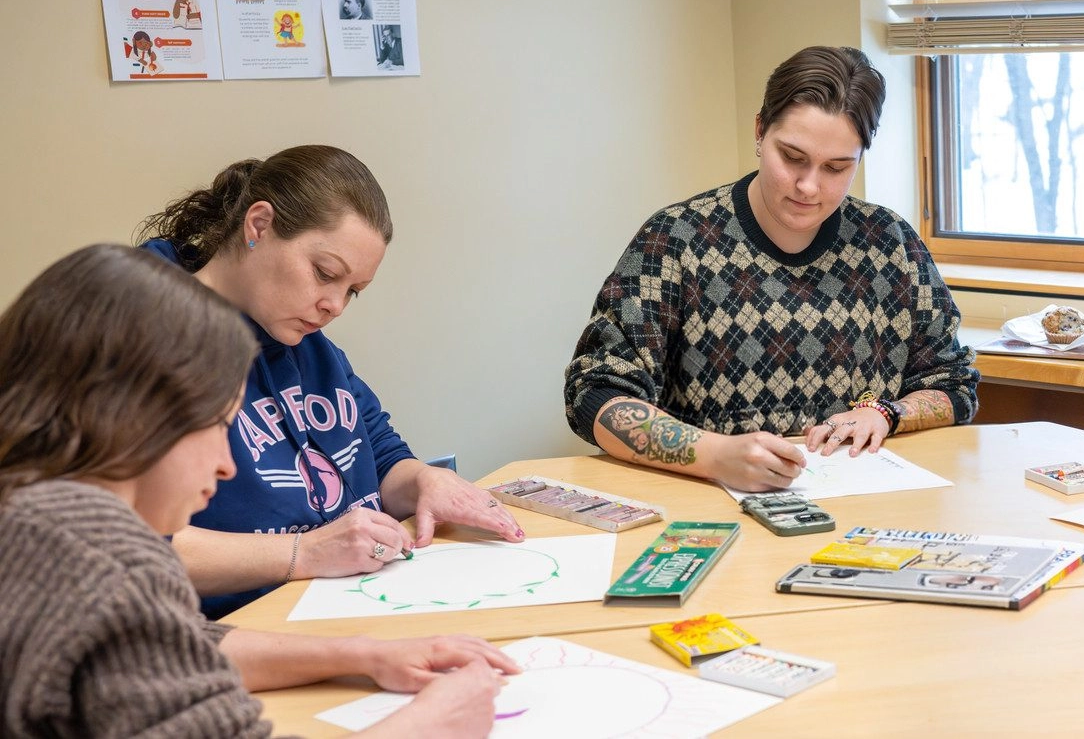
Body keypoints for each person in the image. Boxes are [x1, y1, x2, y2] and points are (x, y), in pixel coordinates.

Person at [0, 244, 516, 738]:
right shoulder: (101, 559)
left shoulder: (35, 520)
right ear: (131, 414)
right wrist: (432, 725)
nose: (226, 466)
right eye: (216, 427)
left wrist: (362, 654)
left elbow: (171, 646)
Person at [564, 45, 979, 492]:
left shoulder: (889, 242)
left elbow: (954, 385)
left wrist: (885, 412)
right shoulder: (676, 239)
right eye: (793, 158)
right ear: (760, 131)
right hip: (712, 502)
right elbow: (596, 394)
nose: (808, 186)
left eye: (837, 168)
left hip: (864, 508)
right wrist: (714, 454)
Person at [137, 145, 523, 619]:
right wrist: (306, 552)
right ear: (258, 226)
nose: (334, 306)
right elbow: (124, 547)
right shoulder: (142, 335)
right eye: (324, 274)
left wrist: (424, 481)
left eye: (352, 292)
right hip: (231, 628)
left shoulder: (301, 338)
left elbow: (376, 451)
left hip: (346, 603)